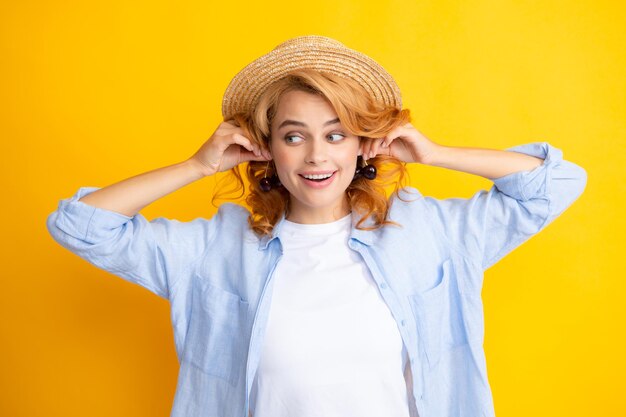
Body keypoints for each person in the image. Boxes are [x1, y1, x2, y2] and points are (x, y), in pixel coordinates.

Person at [46, 35, 587, 417]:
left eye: (335, 134)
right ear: (266, 148)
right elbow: (81, 225)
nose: (315, 156)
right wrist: (196, 166)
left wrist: (437, 153)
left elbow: (557, 183)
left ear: (361, 144)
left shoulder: (429, 232)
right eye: (293, 135)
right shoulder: (213, 249)